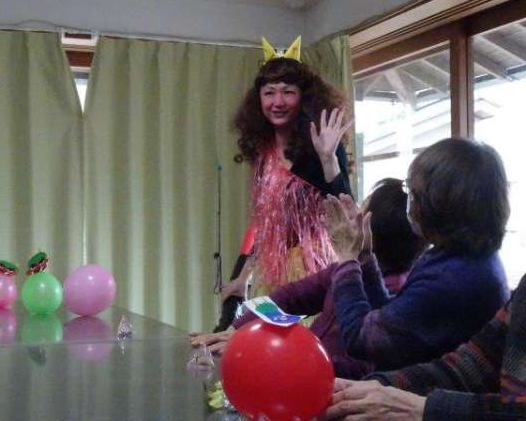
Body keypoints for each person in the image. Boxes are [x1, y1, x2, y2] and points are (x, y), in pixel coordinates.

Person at [194, 178, 426, 379]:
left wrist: (273, 353)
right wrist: (237, 330)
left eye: (359, 213)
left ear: (372, 232)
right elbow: (289, 298)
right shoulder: (344, 268)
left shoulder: (399, 295)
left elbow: (357, 367)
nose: (349, 218)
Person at [323, 138, 510, 372]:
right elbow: (391, 319)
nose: (410, 203)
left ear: (439, 204)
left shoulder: (453, 279)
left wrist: (346, 260)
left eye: (413, 193)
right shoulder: (462, 257)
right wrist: (364, 256)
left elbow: (360, 339)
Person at [212, 37, 353, 332]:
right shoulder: (262, 150)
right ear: (259, 100)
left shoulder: (323, 142)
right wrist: (243, 277)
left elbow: (346, 211)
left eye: (288, 92)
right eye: (269, 93)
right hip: (273, 274)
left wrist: (328, 158)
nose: (278, 102)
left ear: (303, 97)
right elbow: (266, 222)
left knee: (307, 347)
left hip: (316, 274)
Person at [324, 272, 526, 420]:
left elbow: (364, 337)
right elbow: (471, 367)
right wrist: (369, 390)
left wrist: (425, 409)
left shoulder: (454, 278)